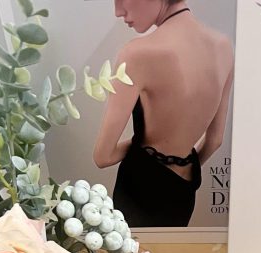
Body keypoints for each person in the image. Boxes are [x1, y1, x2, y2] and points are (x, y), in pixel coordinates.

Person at [93, 0, 234, 228]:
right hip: (184, 191)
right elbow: (215, 140)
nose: (118, 11)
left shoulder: (136, 54)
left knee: (133, 252)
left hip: (139, 190)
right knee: (170, 251)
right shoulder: (224, 47)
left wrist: (145, 148)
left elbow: (103, 156)